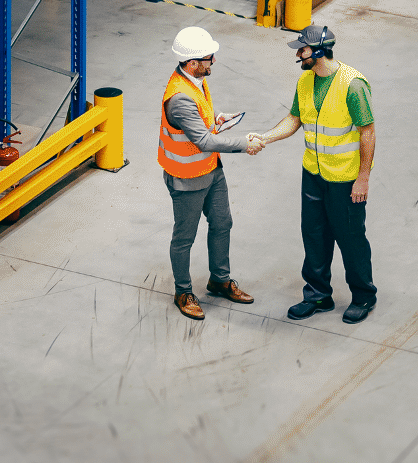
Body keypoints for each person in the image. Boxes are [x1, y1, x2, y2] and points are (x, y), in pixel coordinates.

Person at [252, 25, 378, 324]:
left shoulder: (353, 85)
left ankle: (363, 296)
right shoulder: (306, 80)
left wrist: (363, 178)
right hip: (313, 173)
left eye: (302, 49)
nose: (298, 54)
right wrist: (265, 137)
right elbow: (294, 119)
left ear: (319, 51)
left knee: (350, 239)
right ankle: (318, 295)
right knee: (314, 236)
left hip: (345, 179)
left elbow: (368, 132)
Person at [159, 26, 267, 320]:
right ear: (193, 62)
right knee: (184, 238)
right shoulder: (180, 97)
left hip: (210, 169)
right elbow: (203, 141)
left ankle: (219, 280)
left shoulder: (195, 81)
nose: (213, 61)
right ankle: (183, 291)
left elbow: (202, 127)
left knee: (222, 223)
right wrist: (243, 144)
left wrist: (216, 120)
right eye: (209, 57)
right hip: (188, 179)